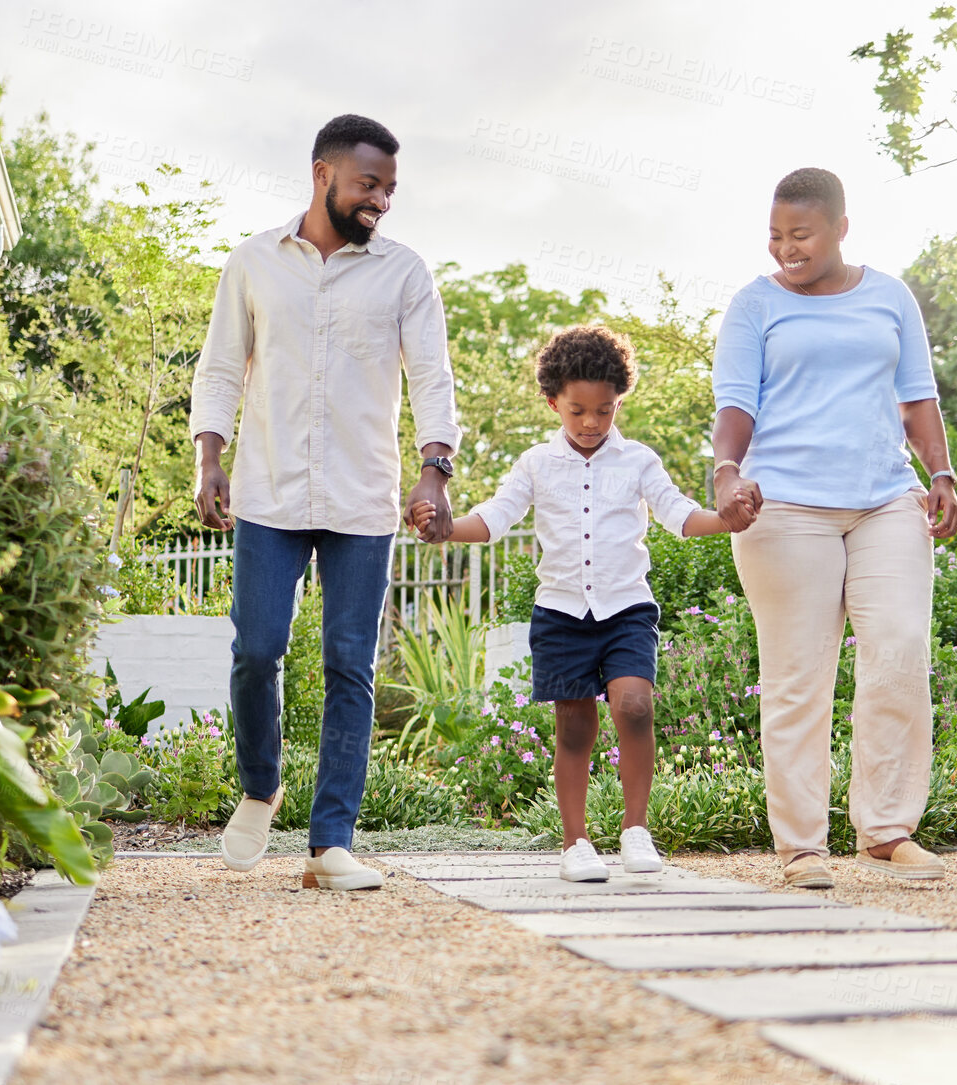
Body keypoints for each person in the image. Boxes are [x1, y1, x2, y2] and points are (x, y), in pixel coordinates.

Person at [188, 114, 460, 891]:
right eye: (368, 184)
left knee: (351, 665)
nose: (380, 200)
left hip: (362, 498)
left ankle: (329, 843)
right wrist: (209, 455)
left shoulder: (405, 274)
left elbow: (432, 378)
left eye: (390, 189)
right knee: (256, 649)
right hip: (268, 490)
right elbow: (218, 368)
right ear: (322, 175)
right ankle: (260, 784)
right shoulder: (252, 263)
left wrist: (433, 468)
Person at [413, 325, 749, 881]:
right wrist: (445, 529)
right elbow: (494, 519)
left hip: (626, 609)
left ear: (619, 403)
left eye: (605, 411)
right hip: (562, 613)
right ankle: (576, 845)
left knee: (635, 706)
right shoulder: (535, 464)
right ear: (553, 403)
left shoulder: (638, 460)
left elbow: (680, 514)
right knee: (573, 726)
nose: (591, 423)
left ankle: (636, 832)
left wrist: (729, 518)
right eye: (577, 412)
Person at [711, 167, 957, 889]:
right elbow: (735, 404)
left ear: (839, 228)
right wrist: (727, 472)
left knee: (899, 649)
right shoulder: (754, 305)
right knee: (797, 673)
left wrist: (940, 472)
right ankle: (802, 845)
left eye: (801, 234)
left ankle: (886, 829)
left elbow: (918, 399)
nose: (784, 248)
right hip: (782, 504)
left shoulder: (888, 296)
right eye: (774, 235)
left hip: (885, 496)